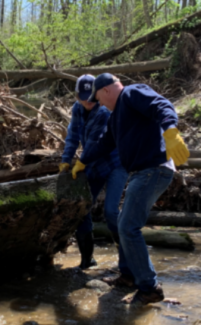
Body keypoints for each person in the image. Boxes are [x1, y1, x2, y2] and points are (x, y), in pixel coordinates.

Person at [75, 73, 190, 305]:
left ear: (106, 90)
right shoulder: (116, 116)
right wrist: (82, 161)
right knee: (126, 225)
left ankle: (149, 288)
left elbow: (161, 105)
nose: (98, 103)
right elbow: (105, 143)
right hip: (141, 172)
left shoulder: (131, 93)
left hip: (154, 168)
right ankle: (128, 275)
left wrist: (170, 131)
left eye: (98, 97)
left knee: (128, 227)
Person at [59, 74, 130, 276]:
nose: (87, 101)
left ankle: (125, 260)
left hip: (115, 163)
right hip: (93, 164)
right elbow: (72, 135)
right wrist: (66, 159)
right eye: (83, 97)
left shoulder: (104, 111)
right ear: (76, 96)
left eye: (91, 97)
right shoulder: (77, 109)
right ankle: (87, 260)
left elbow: (95, 143)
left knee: (110, 211)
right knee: (82, 209)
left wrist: (81, 162)